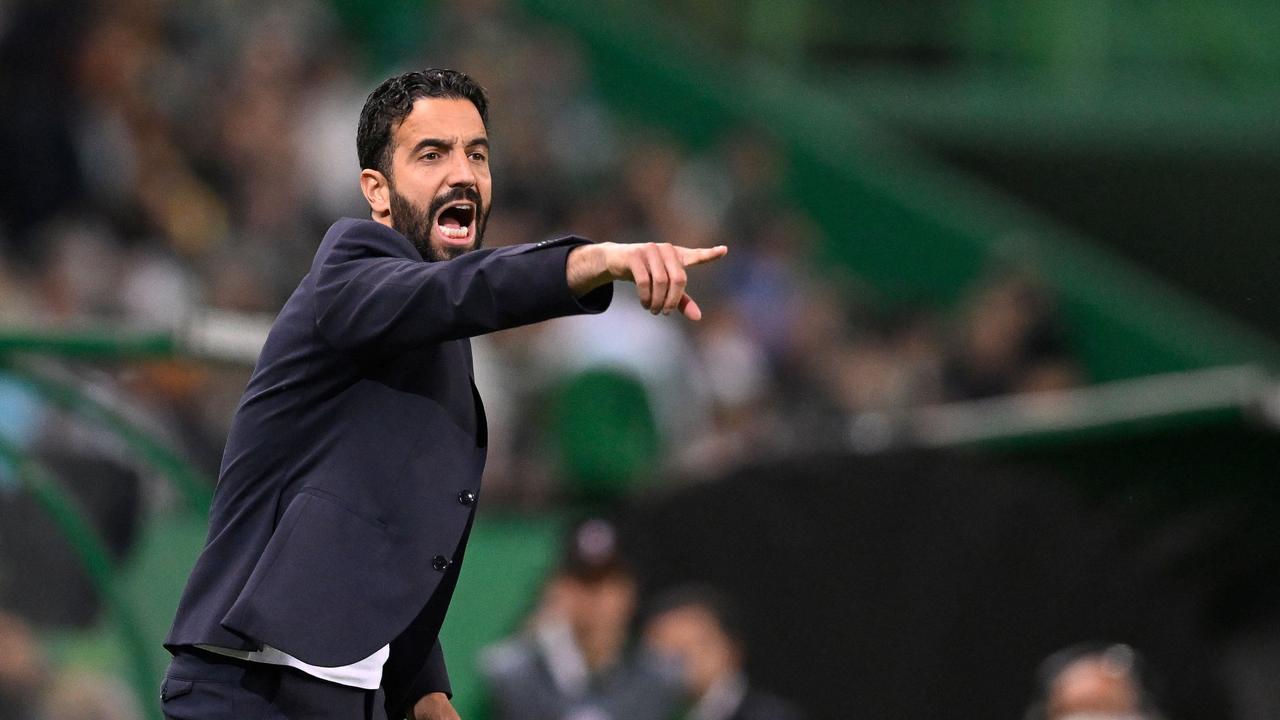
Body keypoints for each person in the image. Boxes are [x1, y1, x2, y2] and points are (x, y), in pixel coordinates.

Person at [160, 68, 726, 720]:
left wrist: (422, 689)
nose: (463, 172)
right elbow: (461, 292)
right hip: (251, 690)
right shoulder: (349, 265)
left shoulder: (439, 337)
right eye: (432, 154)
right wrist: (590, 261)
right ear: (377, 190)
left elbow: (393, 519)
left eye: (476, 154)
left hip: (352, 696)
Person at [480, 517, 682, 720]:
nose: (593, 598)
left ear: (629, 591)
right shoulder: (513, 677)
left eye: (607, 583)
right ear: (557, 588)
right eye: (581, 582)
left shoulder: (660, 679)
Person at [643, 585, 805, 720]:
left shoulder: (771, 716)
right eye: (665, 650)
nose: (679, 660)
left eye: (692, 646)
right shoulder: (645, 711)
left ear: (733, 649)